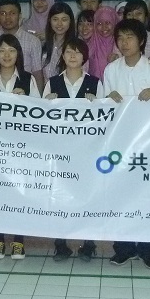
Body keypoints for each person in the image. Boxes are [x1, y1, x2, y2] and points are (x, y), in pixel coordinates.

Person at [103, 19, 150, 269]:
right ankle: (123, 248)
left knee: (148, 195)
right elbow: (103, 106)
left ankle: (148, 250)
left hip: (149, 141)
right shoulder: (111, 70)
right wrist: (108, 98)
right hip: (120, 142)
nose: (124, 42)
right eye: (120, 38)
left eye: (130, 37)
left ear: (141, 41)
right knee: (120, 195)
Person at [43, 37, 104, 262]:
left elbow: (104, 119)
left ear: (84, 57)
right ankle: (61, 244)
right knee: (60, 196)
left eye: (77, 52)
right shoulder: (52, 83)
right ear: (62, 55)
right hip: (59, 152)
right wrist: (47, 102)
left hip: (87, 151)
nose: (72, 56)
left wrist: (96, 104)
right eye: (69, 51)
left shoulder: (95, 83)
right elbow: (42, 118)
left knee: (87, 196)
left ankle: (88, 244)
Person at [0, 33, 39, 259]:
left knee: (18, 194)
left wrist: (26, 99)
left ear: (18, 54)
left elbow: (38, 114)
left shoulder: (28, 79)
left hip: (20, 148)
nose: (6, 55)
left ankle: (18, 241)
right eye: (2, 50)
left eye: (11, 50)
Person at [0, 0, 44, 92]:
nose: (7, 17)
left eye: (12, 13)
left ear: (20, 16)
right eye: (3, 13)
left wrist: (38, 98)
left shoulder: (33, 41)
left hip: (24, 90)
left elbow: (37, 73)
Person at [123, 0, 150, 64]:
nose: (134, 17)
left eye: (138, 13)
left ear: (146, 17)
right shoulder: (121, 39)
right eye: (129, 14)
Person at [41, 2, 76, 81]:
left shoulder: (77, 47)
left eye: (64, 20)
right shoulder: (42, 44)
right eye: (55, 19)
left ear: (70, 21)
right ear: (49, 20)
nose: (59, 24)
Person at [87, 6, 117, 82]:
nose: (104, 27)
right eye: (99, 23)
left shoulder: (121, 44)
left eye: (108, 22)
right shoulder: (89, 46)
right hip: (94, 87)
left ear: (114, 23)